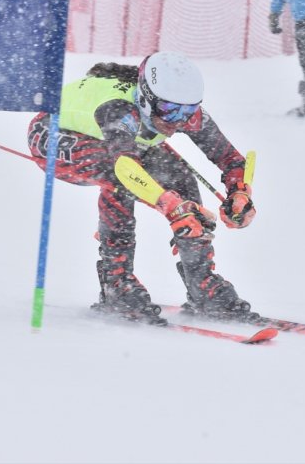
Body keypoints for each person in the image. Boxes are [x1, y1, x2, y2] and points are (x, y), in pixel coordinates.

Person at [26, 51, 257, 325]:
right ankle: (116, 282)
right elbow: (125, 167)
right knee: (116, 179)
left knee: (180, 178)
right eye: (171, 111)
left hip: (118, 145)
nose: (178, 122)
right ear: (146, 98)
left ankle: (201, 284)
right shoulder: (118, 109)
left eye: (188, 112)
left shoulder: (177, 112)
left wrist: (239, 192)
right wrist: (172, 207)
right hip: (52, 135)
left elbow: (231, 159)